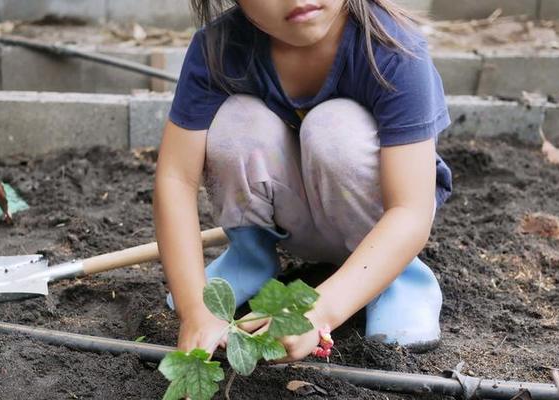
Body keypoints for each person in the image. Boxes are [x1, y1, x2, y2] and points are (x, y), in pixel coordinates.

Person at [153, 0, 452, 362]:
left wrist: (319, 313)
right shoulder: (218, 49)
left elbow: (410, 209)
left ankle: (398, 280)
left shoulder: (391, 50)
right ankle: (250, 258)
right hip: (293, 219)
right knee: (236, 121)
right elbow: (175, 178)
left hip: (378, 228)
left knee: (333, 128)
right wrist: (193, 308)